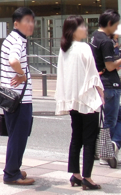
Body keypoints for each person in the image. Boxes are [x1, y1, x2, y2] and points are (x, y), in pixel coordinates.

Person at [55, 15, 104, 191]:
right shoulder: (84, 47)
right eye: (82, 26)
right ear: (74, 30)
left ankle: (75, 174)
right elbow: (93, 75)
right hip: (87, 100)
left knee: (76, 137)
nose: (85, 29)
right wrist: (102, 94)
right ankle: (87, 178)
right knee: (89, 140)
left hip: (73, 100)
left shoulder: (64, 49)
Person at [0, 7, 35, 186]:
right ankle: (11, 173)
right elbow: (13, 60)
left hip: (10, 97)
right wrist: (22, 75)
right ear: (16, 23)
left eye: (32, 21)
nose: (31, 24)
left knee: (15, 135)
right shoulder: (17, 41)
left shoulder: (12, 38)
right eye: (27, 21)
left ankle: (13, 168)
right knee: (18, 136)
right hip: (19, 98)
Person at [89, 9, 121, 168]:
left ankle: (106, 149)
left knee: (108, 118)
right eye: (115, 25)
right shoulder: (106, 41)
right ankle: (107, 152)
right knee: (111, 120)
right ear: (109, 23)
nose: (116, 28)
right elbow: (110, 66)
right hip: (110, 84)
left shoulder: (94, 36)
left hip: (100, 83)